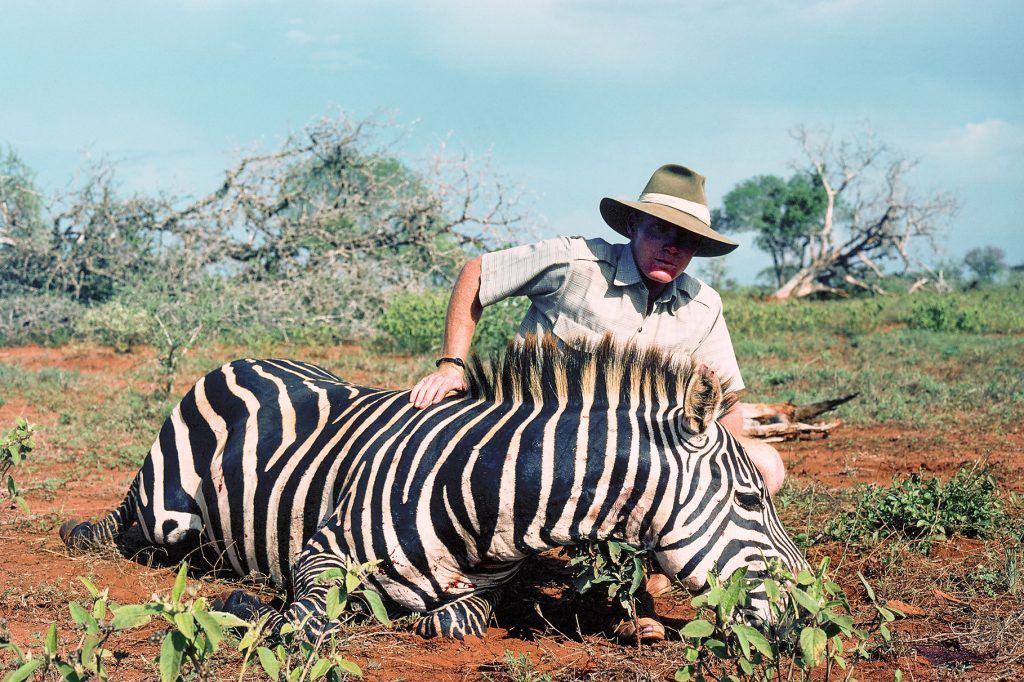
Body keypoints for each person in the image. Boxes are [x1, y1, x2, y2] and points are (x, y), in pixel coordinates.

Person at [409, 164, 785, 640]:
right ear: (633, 226)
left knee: (765, 464)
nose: (673, 246)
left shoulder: (703, 304)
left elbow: (727, 403)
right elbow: (477, 274)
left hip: (634, 470)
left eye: (686, 240)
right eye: (660, 230)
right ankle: (614, 596)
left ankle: (646, 577)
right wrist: (451, 366)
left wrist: (720, 468)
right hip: (534, 454)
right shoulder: (576, 264)